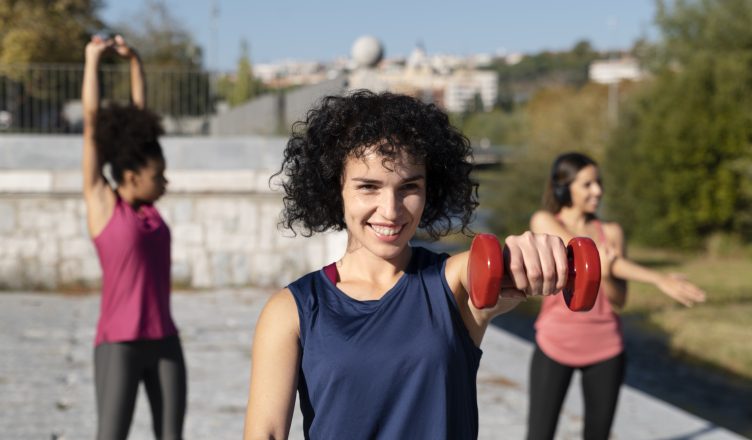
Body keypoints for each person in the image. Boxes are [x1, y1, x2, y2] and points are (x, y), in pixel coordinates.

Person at [243, 91, 572, 439]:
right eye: (368, 187)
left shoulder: (452, 286)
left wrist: (529, 252)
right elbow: (265, 433)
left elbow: (488, 262)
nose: (391, 210)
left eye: (409, 187)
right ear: (334, 188)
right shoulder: (292, 310)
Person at [527, 152, 707, 440]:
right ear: (564, 187)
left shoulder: (612, 232)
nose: (598, 190)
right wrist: (658, 278)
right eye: (587, 184)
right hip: (555, 343)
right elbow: (588, 258)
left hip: (605, 348)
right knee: (539, 435)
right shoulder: (544, 222)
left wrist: (608, 273)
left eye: (599, 183)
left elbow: (619, 301)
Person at [82, 34, 187, 440]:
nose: (165, 181)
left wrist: (135, 63)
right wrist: (93, 60)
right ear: (130, 177)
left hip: (165, 341)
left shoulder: (149, 213)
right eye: (158, 176)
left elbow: (141, 126)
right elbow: (92, 127)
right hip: (118, 345)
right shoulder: (103, 204)